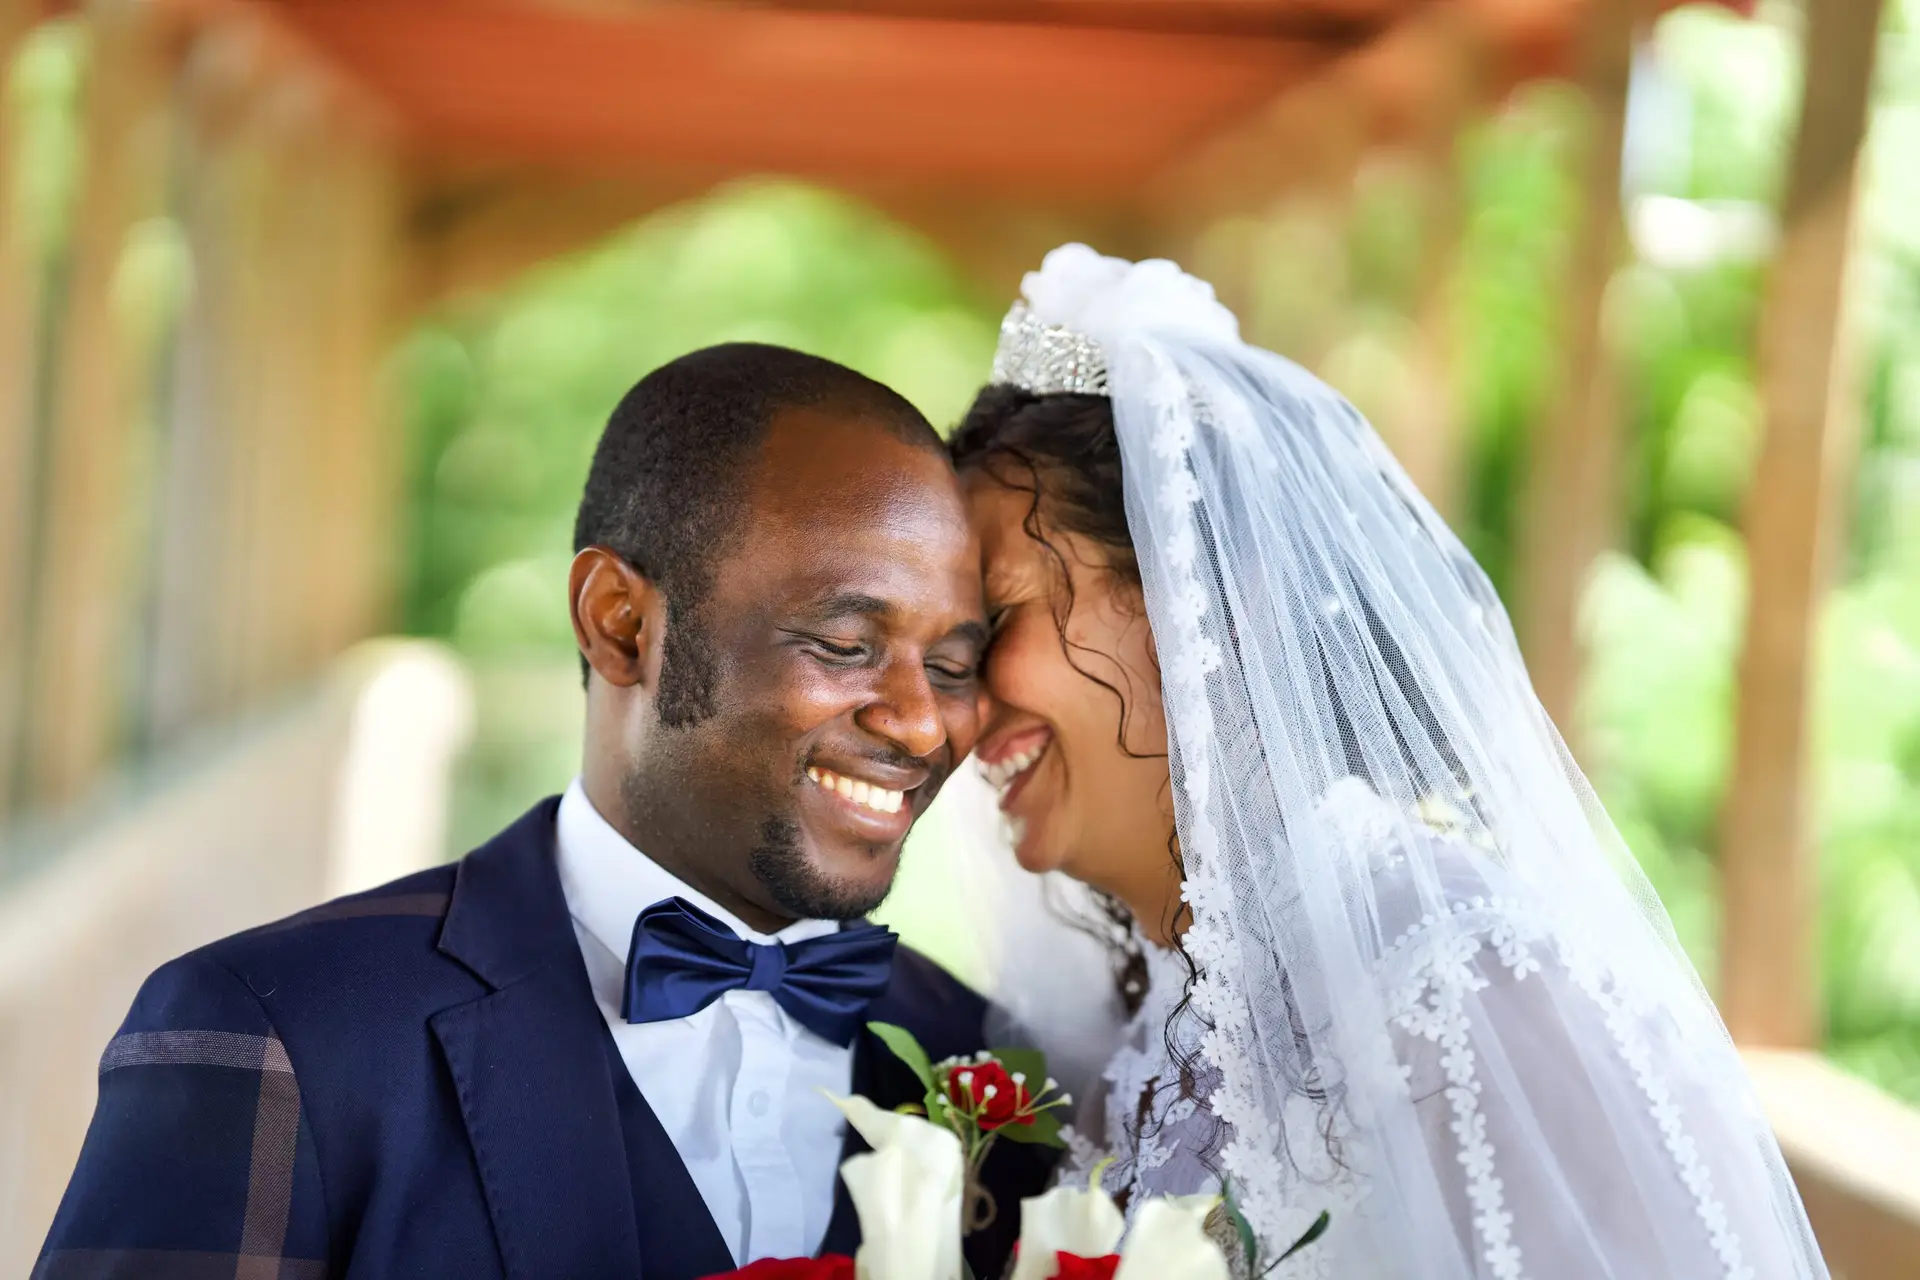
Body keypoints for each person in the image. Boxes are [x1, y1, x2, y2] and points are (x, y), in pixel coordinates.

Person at [37, 343, 1050, 1280]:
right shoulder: (277, 1031)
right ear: (622, 624)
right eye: (842, 643)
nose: (922, 724)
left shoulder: (997, 1070)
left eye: (955, 665)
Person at [950, 245, 1829, 1278]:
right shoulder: (1148, 1052)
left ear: (1201, 604)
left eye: (994, 616)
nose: (957, 700)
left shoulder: (1471, 987)